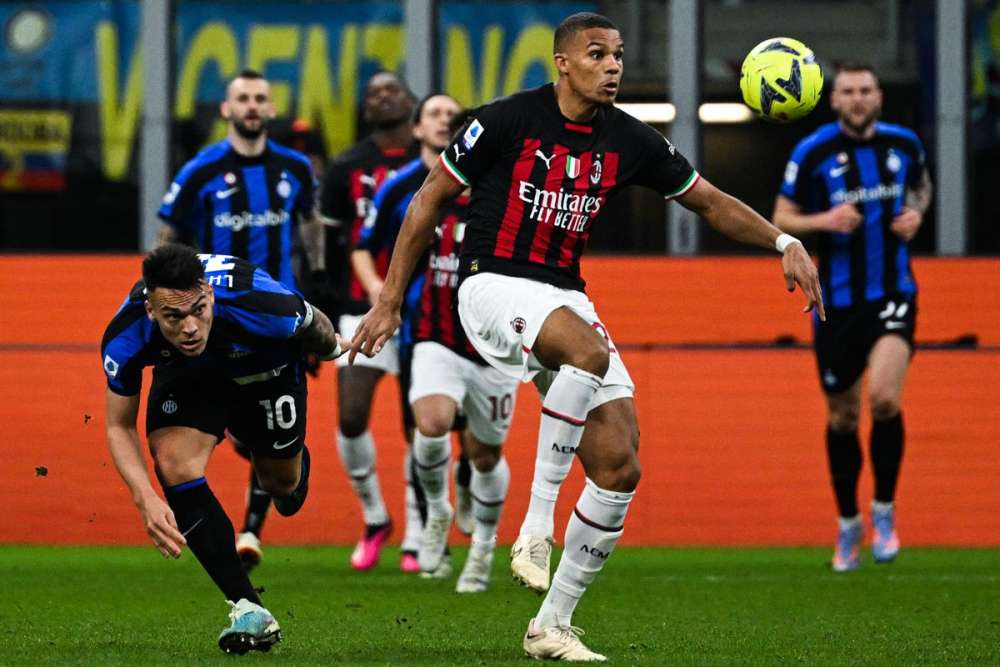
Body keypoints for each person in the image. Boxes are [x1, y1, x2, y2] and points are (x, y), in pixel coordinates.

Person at [350, 12, 824, 660]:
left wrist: (783, 240)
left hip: (563, 295)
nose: (613, 66)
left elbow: (709, 201)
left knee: (620, 463)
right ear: (564, 62)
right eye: (598, 54)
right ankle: (535, 524)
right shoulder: (506, 120)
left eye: (619, 55)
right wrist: (388, 302)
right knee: (588, 350)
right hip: (490, 283)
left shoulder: (630, 139)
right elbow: (428, 199)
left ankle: (551, 624)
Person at [100, 244, 343, 654]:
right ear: (150, 311)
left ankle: (282, 459)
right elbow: (118, 426)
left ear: (209, 294)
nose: (190, 327)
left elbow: (314, 322)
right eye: (173, 317)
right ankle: (248, 607)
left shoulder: (263, 304)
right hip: (190, 375)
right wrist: (145, 498)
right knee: (174, 462)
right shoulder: (125, 335)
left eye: (198, 310)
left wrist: (332, 348)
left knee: (282, 486)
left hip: (264, 369)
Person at [157, 69, 332, 572]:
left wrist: (318, 278)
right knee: (241, 434)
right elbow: (167, 234)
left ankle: (253, 525)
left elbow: (310, 224)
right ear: (227, 109)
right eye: (243, 98)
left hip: (277, 323)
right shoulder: (200, 170)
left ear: (271, 109)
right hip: (213, 322)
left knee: (265, 441)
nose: (252, 106)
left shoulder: (295, 168)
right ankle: (270, 489)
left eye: (260, 98)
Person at [773, 63, 932, 572]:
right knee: (843, 417)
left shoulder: (904, 143)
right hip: (836, 303)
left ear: (879, 96)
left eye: (866, 89)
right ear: (834, 100)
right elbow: (781, 217)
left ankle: (883, 508)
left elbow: (921, 187)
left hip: (893, 292)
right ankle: (848, 523)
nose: (858, 98)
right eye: (848, 91)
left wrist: (916, 213)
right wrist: (825, 220)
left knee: (883, 399)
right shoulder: (813, 151)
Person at [354, 100, 515, 591]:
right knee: (431, 424)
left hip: (494, 348)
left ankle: (482, 549)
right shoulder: (427, 193)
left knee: (485, 456)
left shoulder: (510, 199)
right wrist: (386, 299)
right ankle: (437, 510)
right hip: (434, 334)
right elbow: (380, 245)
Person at [319, 72, 426, 571]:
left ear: (412, 102)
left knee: (418, 425)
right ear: (365, 109)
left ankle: (419, 533)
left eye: (392, 89)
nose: (383, 96)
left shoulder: (433, 163)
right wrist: (322, 300)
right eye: (374, 91)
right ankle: (375, 516)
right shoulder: (346, 166)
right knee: (350, 415)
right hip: (359, 306)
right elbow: (329, 241)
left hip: (424, 310)